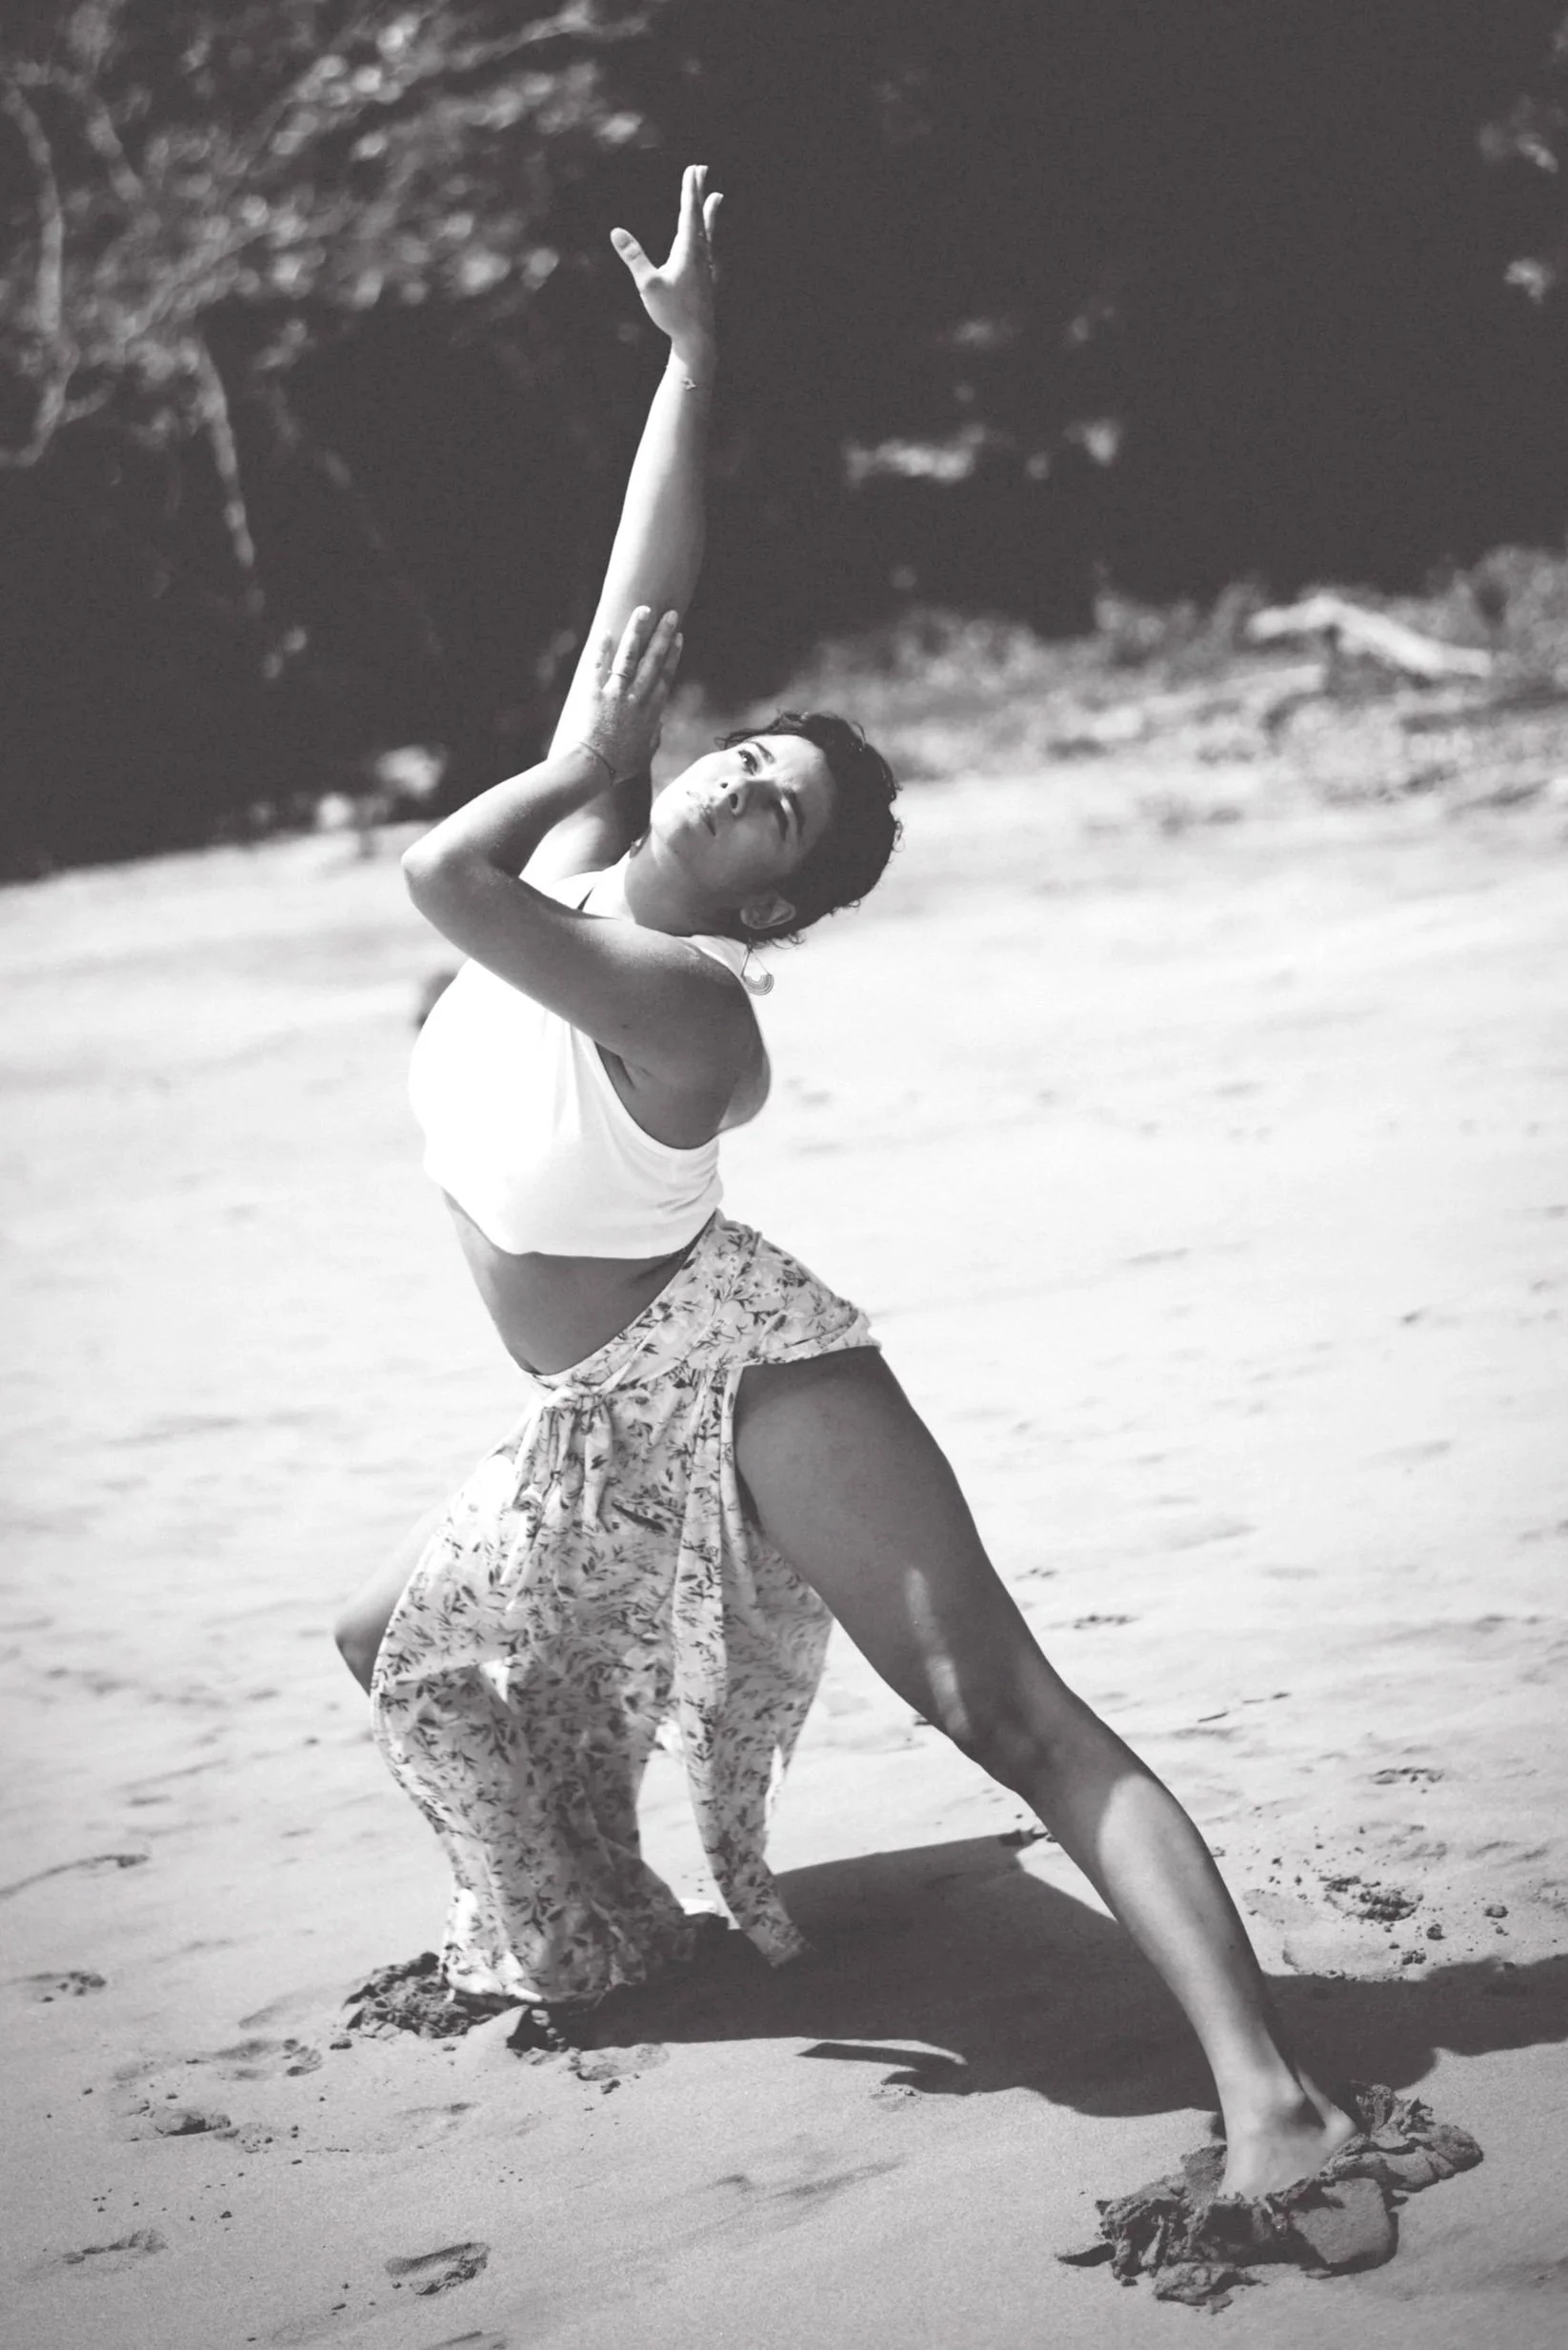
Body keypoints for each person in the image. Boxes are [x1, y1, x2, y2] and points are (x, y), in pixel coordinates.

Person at [333, 165, 1357, 2205]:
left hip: (739, 1374)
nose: (733, 773)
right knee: (401, 1645)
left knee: (1002, 1705)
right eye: (749, 752)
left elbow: (437, 871)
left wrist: (561, 762)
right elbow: (650, 607)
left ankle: (1271, 2092)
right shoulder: (582, 868)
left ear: (776, 890)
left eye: (772, 806)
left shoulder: (681, 1004)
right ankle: (608, 1936)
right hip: (591, 1421)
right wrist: (695, 366)